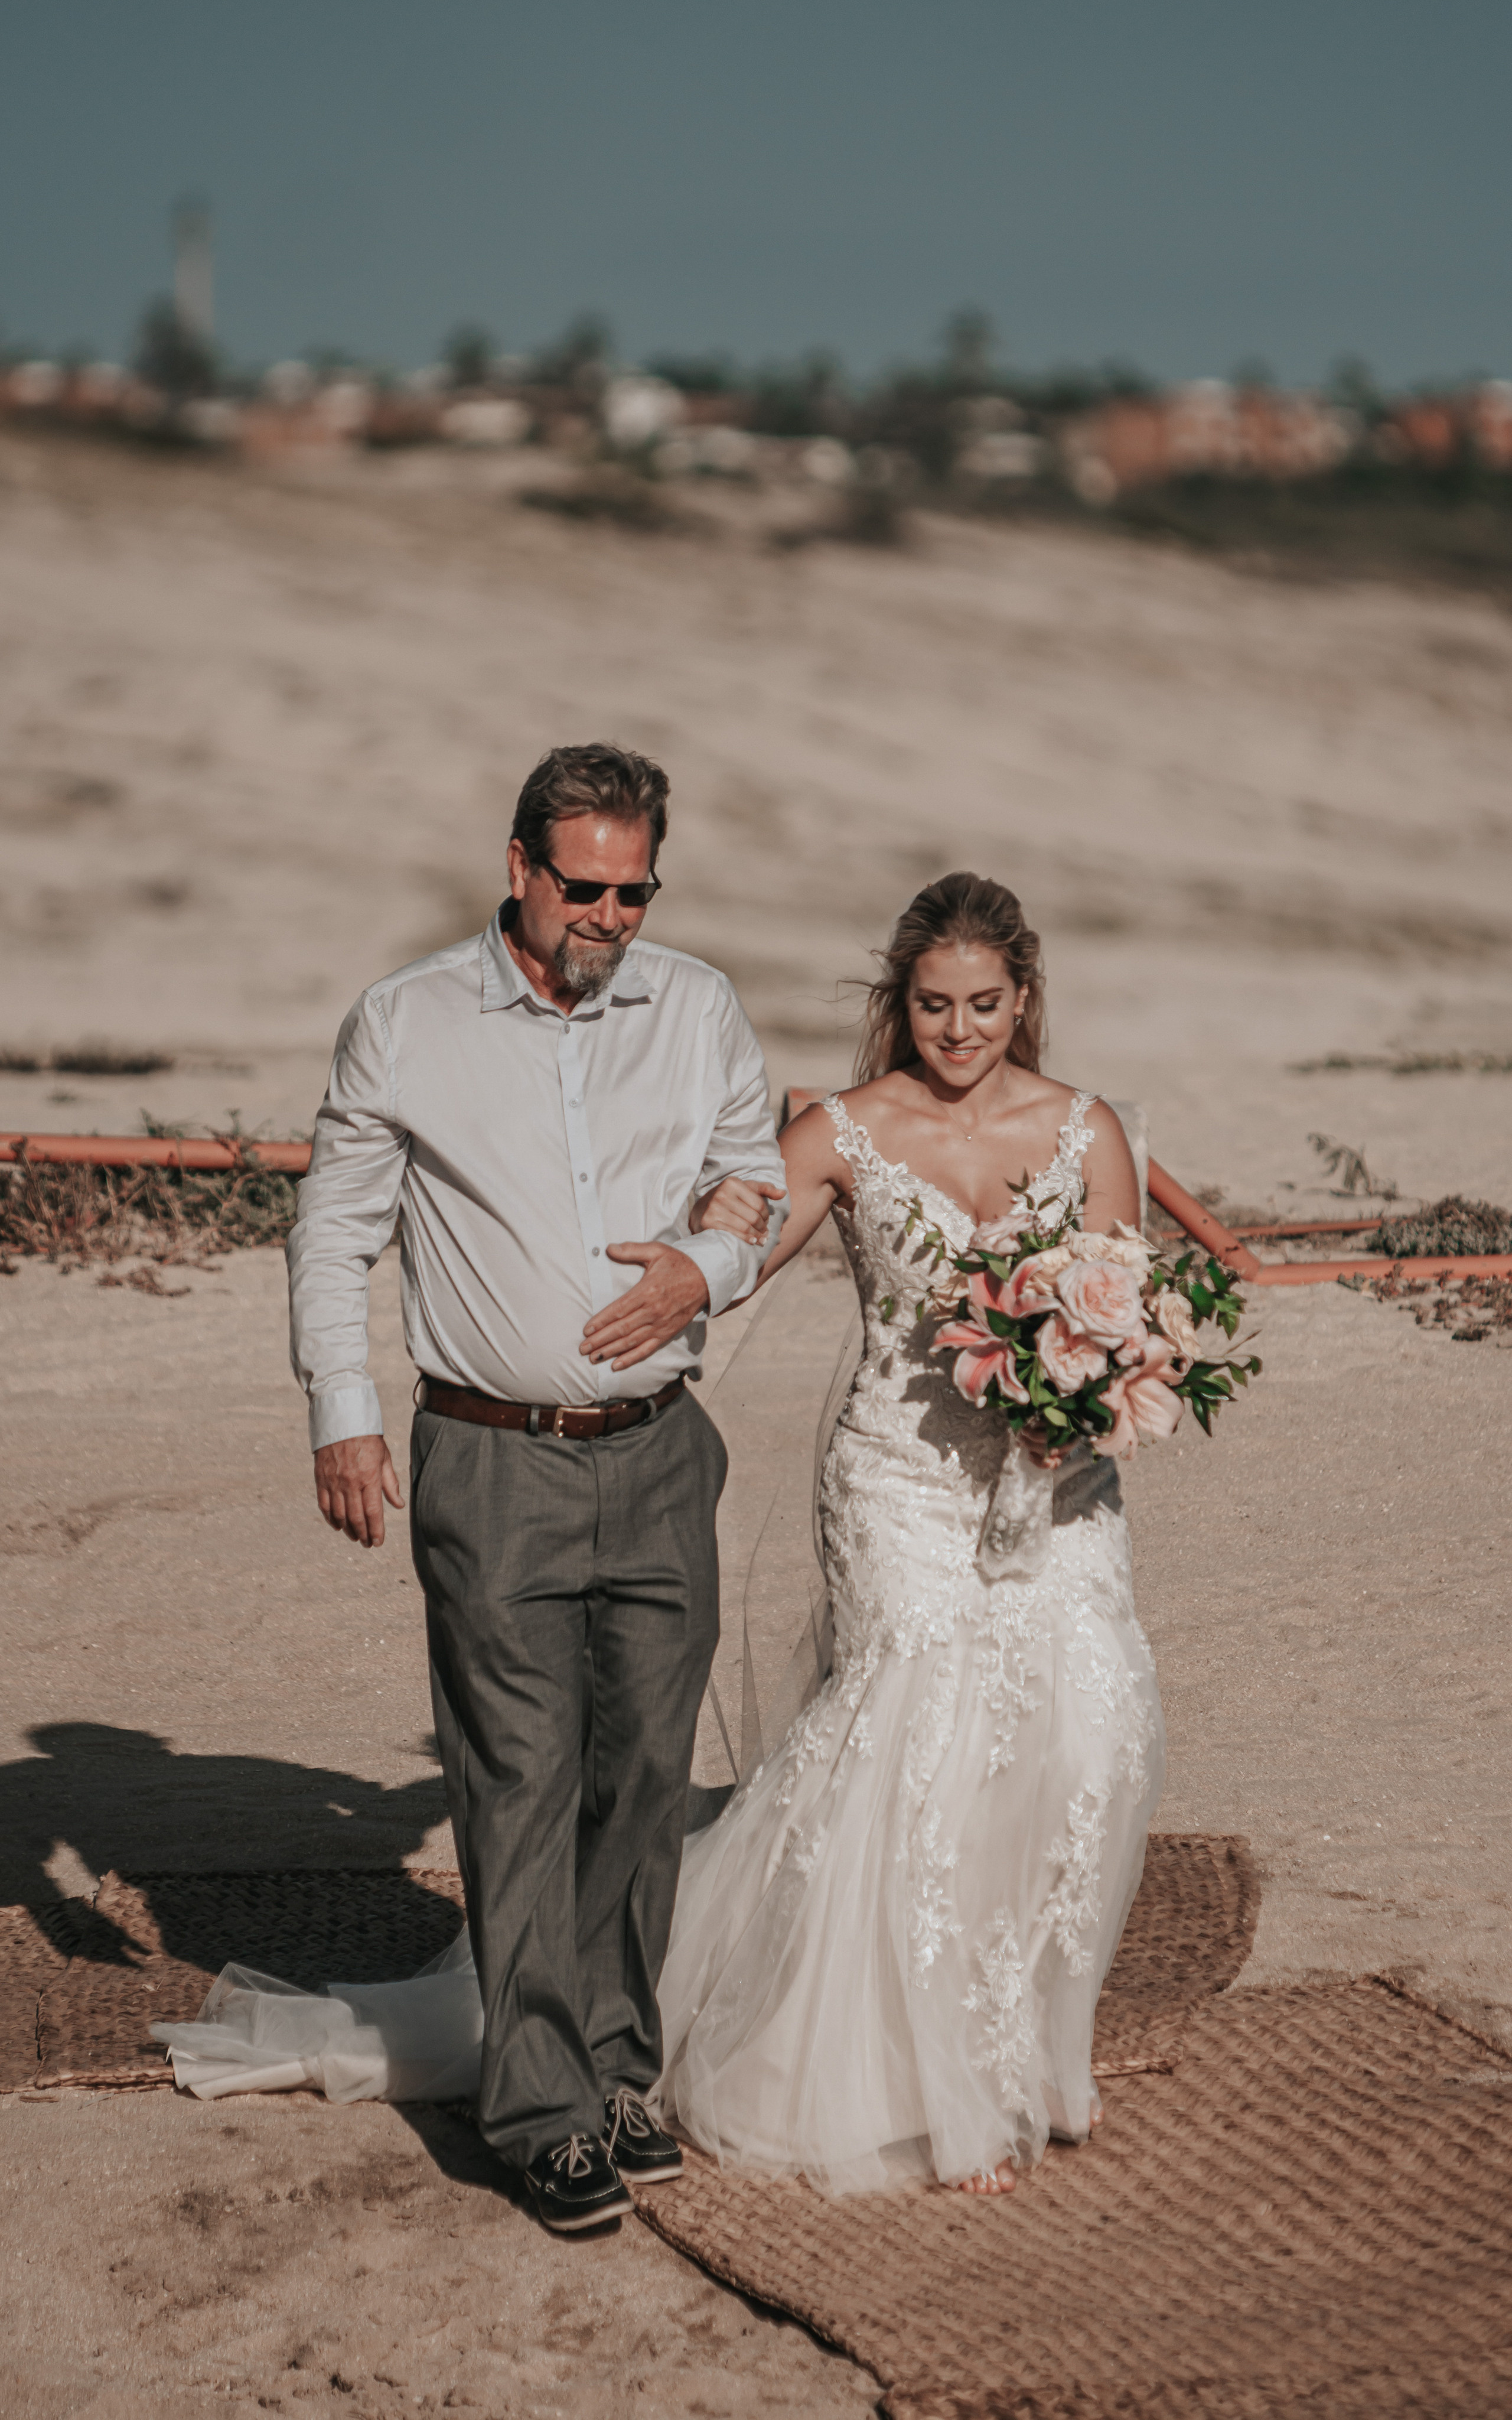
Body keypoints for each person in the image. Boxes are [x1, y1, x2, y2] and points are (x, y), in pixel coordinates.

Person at [154, 744, 788, 2234]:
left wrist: (713, 1257)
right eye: (584, 886)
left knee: (641, 1779)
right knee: (517, 1780)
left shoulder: (695, 1005)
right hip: (486, 1456)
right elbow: (334, 1234)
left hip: (660, 1450)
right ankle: (543, 2106)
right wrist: (345, 1413)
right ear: (518, 867)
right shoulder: (406, 1019)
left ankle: (620, 2066)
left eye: (635, 890)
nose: (610, 916)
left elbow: (750, 1171)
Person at [654, 870, 1165, 2195]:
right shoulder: (840, 1130)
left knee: (1084, 1729)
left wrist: (1088, 1396)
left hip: (1056, 1480)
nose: (956, 1030)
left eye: (983, 1003)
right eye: (932, 1004)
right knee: (923, 1739)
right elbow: (730, 1247)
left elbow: (1127, 1310)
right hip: (899, 1471)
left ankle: (1034, 2044)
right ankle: (931, 2075)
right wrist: (682, 1251)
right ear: (899, 1001)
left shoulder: (1087, 1127)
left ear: (1023, 998)